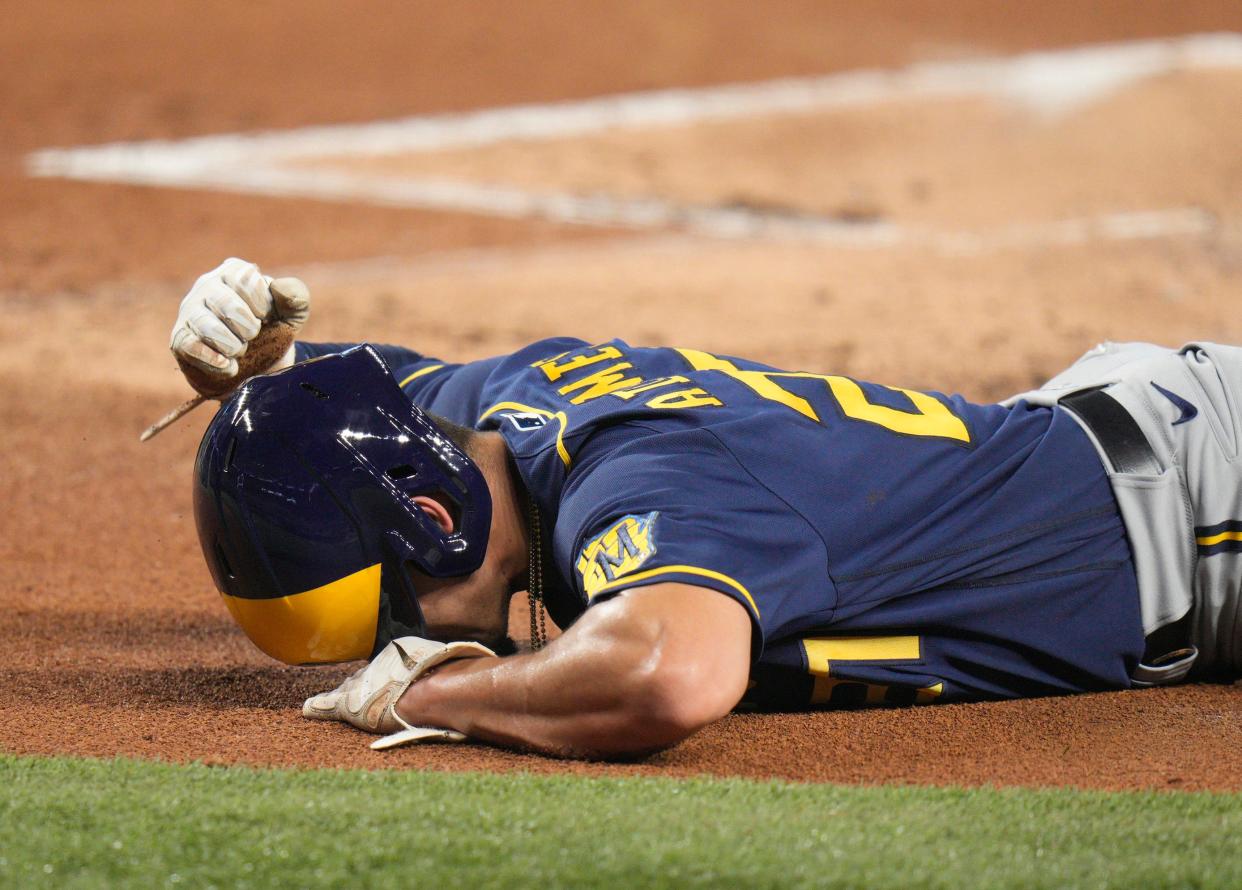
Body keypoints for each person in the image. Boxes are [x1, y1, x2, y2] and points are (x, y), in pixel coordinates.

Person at [173, 259, 1242, 758]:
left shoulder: (640, 490)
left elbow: (667, 676)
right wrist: (254, 364)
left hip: (1211, 503)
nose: (392, 643)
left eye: (387, 612)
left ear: (433, 520)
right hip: (1147, 453)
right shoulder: (484, 414)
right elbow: (353, 396)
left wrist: (440, 698)